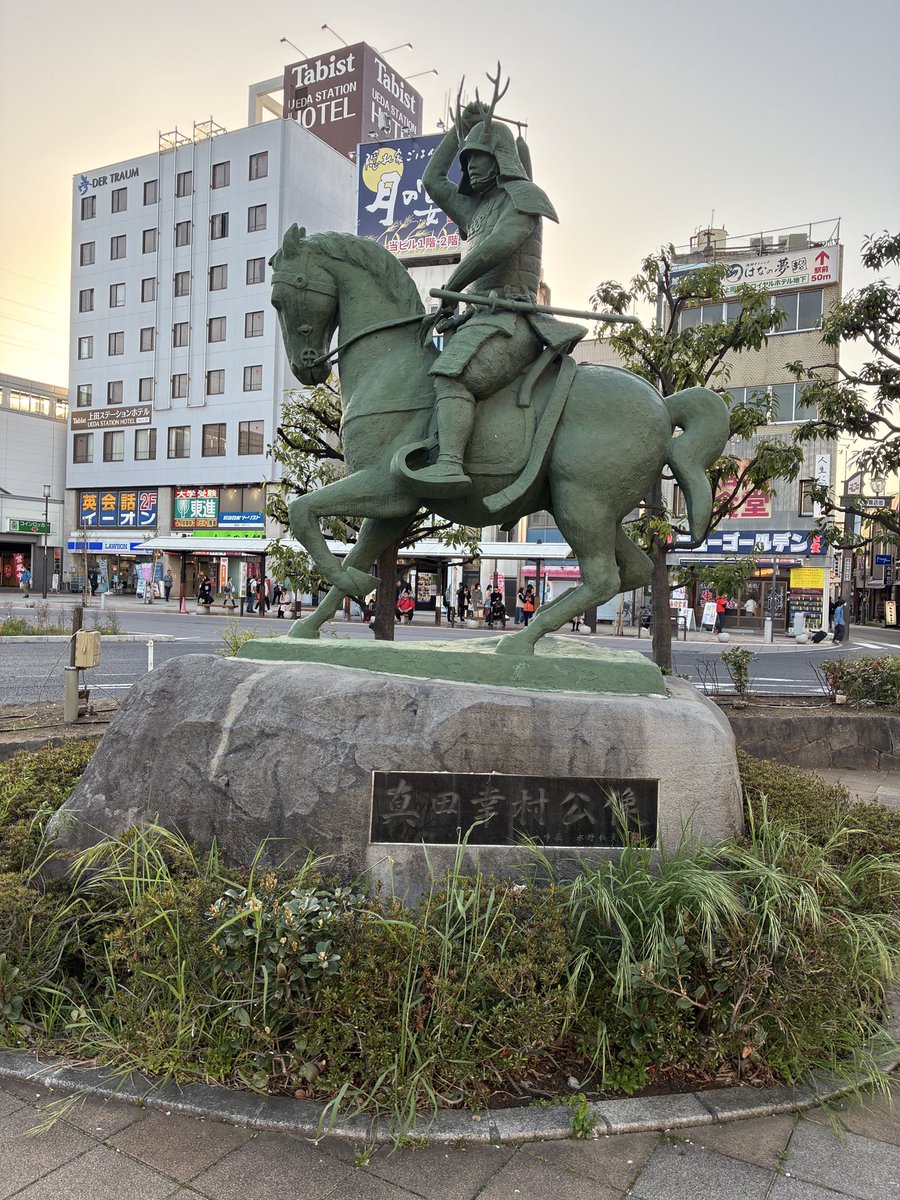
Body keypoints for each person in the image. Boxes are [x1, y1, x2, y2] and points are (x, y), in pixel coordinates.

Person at [408, 82, 584, 495]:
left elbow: (496, 247)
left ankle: (450, 463)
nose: (468, 166)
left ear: (500, 157)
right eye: (466, 160)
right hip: (479, 318)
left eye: (478, 157)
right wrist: (460, 132)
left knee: (452, 375)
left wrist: (451, 287)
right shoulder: (476, 207)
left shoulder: (523, 198)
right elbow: (433, 180)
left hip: (514, 319)